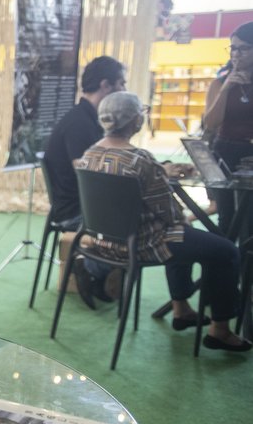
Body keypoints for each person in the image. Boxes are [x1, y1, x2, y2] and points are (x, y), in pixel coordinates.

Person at [75, 91, 250, 352]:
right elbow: (169, 214)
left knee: (184, 235)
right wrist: (166, 182)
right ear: (136, 121)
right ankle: (221, 330)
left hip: (102, 241)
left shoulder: (89, 154)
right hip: (144, 244)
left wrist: (161, 172)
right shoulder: (141, 160)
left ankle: (181, 309)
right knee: (224, 250)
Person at [45, 55, 127, 309]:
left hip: (84, 204)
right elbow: (86, 172)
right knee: (132, 225)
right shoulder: (79, 122)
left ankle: (97, 273)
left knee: (134, 220)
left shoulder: (89, 118)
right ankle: (89, 266)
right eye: (121, 84)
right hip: (74, 211)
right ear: (105, 85)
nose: (124, 90)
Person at [203, 21, 253, 238]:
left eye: (243, 48)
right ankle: (222, 269)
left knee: (250, 221)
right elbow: (210, 124)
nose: (236, 54)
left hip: (250, 155)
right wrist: (225, 89)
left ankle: (245, 269)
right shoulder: (218, 84)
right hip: (224, 151)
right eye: (233, 48)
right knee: (226, 217)